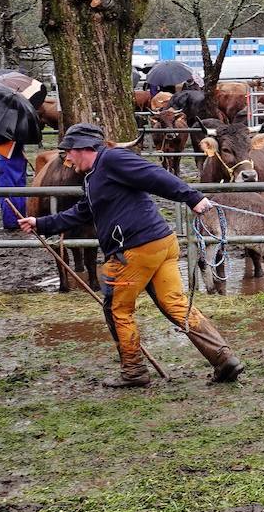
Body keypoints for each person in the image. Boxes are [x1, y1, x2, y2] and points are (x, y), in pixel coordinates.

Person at [17, 123, 243, 388]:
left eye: (69, 151)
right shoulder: (94, 176)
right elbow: (82, 212)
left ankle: (133, 371)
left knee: (117, 310)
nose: (66, 158)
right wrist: (41, 223)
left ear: (84, 149)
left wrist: (191, 197)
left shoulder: (112, 159)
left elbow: (154, 176)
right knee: (175, 305)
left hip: (135, 250)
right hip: (160, 244)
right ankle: (223, 358)